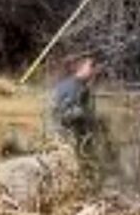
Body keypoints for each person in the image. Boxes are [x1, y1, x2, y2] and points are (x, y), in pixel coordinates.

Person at [47, 53, 111, 187]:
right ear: (80, 68)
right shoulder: (70, 87)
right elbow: (60, 114)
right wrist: (86, 116)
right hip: (66, 139)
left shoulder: (82, 86)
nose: (95, 70)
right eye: (91, 66)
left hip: (80, 138)